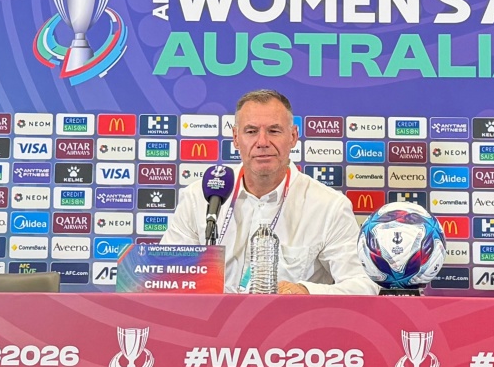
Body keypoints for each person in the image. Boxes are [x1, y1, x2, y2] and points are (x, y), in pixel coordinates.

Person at [161, 89, 378, 295]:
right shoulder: (198, 197)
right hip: (209, 320)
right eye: (251, 131)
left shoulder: (329, 206)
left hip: (289, 320)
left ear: (293, 136)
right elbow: (165, 275)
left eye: (274, 131)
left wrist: (306, 292)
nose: (262, 142)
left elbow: (362, 284)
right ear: (236, 138)